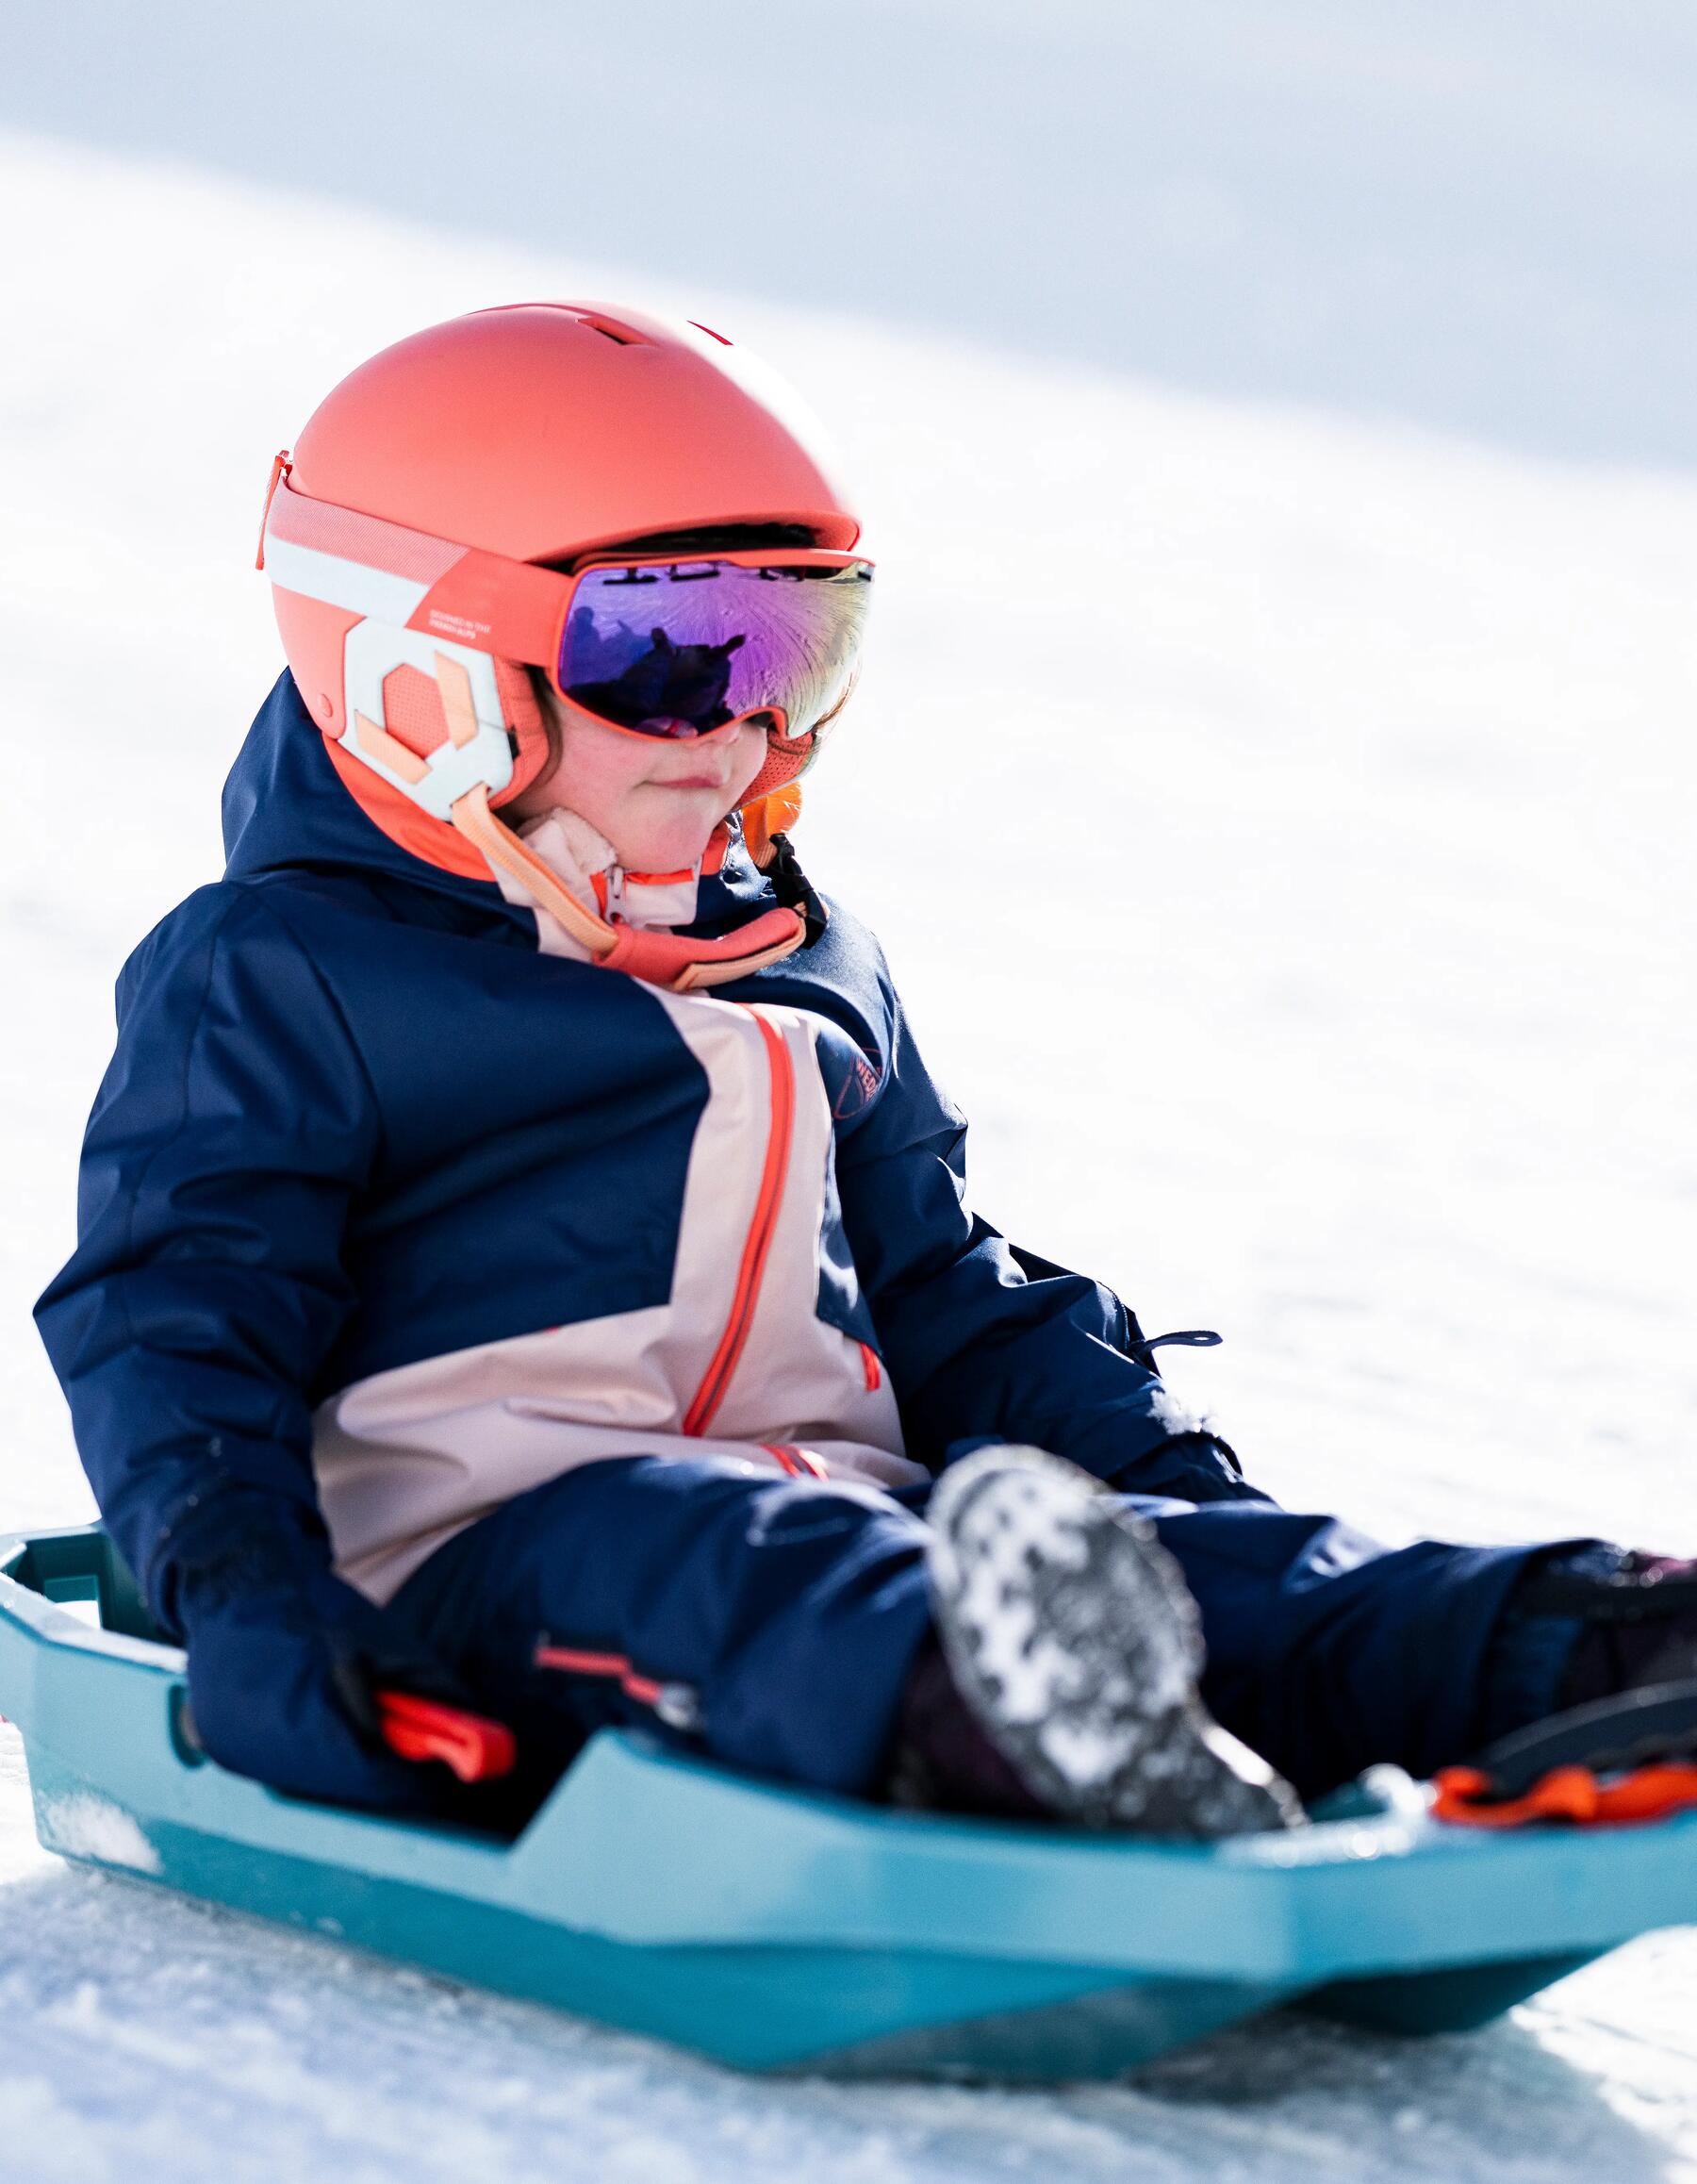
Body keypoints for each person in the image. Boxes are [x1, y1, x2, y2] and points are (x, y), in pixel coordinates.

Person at [35, 305, 1697, 1839]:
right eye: (676, 661)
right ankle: (1025, 1744)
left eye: (791, 655)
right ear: (426, 675)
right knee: (754, 1566)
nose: (750, 734)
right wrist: (253, 1606)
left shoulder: (808, 959)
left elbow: (942, 1292)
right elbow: (177, 1324)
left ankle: (1594, 1651)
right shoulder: (282, 979)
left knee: (1224, 1579)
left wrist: (1188, 1517)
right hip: (481, 1565)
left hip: (868, 1529)